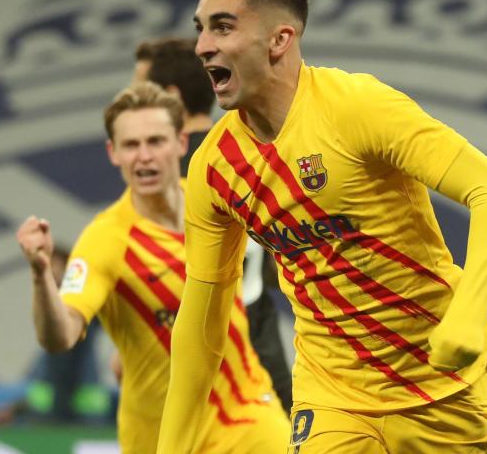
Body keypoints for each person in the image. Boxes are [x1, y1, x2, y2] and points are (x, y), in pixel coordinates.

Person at [157, 0, 487, 453]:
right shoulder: (213, 168)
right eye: (200, 29)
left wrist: (467, 315)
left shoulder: (357, 108)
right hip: (330, 394)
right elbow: (201, 321)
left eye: (223, 27)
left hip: (436, 384)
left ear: (279, 39)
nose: (203, 46)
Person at [17, 82, 288, 454]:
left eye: (155, 141)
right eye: (131, 145)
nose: (144, 156)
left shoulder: (219, 204)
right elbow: (59, 336)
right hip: (161, 437)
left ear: (179, 142)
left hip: (248, 415)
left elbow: (281, 264)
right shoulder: (105, 241)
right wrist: (39, 275)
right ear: (114, 153)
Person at [134, 37, 294, 413]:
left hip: (204, 337)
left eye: (142, 93)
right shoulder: (251, 149)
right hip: (260, 334)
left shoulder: (164, 174)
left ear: (171, 96)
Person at [0, 244, 111, 426]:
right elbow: (44, 381)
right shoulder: (51, 317)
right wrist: (16, 409)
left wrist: (56, 417)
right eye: (46, 269)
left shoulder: (75, 313)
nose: (51, 274)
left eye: (56, 268)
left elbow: (63, 372)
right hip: (51, 417)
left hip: (74, 420)